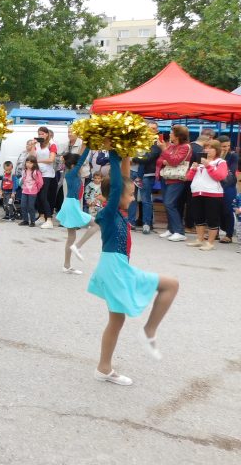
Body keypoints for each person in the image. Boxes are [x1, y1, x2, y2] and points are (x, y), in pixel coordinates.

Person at [88, 149, 179, 386]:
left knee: (116, 320)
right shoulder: (108, 213)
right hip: (115, 268)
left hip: (115, 267)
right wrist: (112, 150)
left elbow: (124, 180)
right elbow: (118, 185)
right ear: (116, 196)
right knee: (170, 285)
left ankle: (104, 368)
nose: (131, 199)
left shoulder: (119, 212)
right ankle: (148, 331)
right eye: (129, 195)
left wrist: (125, 152)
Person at [56, 149, 99, 275]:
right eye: (80, 165)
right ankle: (78, 246)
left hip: (71, 204)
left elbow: (80, 161)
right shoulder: (72, 173)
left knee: (71, 237)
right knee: (96, 224)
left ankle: (66, 266)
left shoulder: (74, 174)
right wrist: (89, 145)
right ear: (74, 166)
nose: (82, 166)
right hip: (71, 205)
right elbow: (82, 159)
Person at [184, 139, 228, 250]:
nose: (207, 150)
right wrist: (193, 169)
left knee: (212, 219)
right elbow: (188, 178)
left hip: (213, 194)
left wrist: (208, 166)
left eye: (210, 148)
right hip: (197, 192)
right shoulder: (199, 162)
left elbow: (220, 176)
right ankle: (200, 239)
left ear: (217, 150)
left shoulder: (220, 162)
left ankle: (210, 243)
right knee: (198, 217)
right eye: (206, 148)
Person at [156, 125, 192, 242]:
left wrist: (164, 150)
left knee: (169, 203)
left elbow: (174, 161)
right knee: (168, 204)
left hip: (177, 179)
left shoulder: (185, 147)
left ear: (178, 135)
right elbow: (160, 160)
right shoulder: (171, 146)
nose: (170, 134)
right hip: (167, 177)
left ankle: (179, 231)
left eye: (172, 133)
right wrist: (167, 160)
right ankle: (171, 229)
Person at [133, 123, 161, 234]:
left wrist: (133, 158)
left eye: (153, 128)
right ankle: (131, 222)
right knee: (132, 199)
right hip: (135, 172)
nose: (151, 130)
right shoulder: (140, 141)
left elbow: (147, 158)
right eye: (149, 128)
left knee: (145, 200)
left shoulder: (157, 143)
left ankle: (147, 224)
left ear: (157, 130)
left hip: (147, 174)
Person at [35, 126, 58, 229]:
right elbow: (33, 156)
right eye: (39, 134)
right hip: (38, 173)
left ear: (47, 134)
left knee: (44, 196)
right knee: (38, 196)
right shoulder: (37, 144)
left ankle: (49, 219)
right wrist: (32, 146)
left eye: (43, 134)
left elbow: (51, 159)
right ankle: (41, 216)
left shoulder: (52, 144)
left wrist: (38, 161)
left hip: (47, 174)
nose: (41, 135)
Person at [218, 135, 238, 244]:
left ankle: (229, 235)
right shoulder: (214, 155)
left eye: (228, 146)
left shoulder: (233, 156)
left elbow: (232, 171)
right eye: (223, 146)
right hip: (215, 186)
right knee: (215, 210)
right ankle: (215, 232)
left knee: (227, 210)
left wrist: (221, 161)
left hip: (228, 186)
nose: (226, 148)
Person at [18, 155, 43, 226]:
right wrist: (22, 186)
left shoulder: (36, 172)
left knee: (31, 206)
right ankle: (25, 220)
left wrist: (37, 189)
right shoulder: (24, 171)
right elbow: (23, 180)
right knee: (23, 205)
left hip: (33, 192)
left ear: (34, 164)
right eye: (27, 162)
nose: (28, 164)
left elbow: (40, 182)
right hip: (25, 191)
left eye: (31, 163)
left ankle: (32, 221)